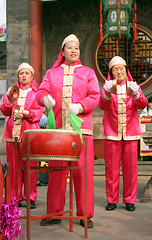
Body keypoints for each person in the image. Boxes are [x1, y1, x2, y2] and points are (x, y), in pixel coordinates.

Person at [36, 34, 100, 228]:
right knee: (56, 172)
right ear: (62, 51)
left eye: (76, 48)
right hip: (58, 132)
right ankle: (54, 213)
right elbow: (40, 92)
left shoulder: (88, 72)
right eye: (69, 47)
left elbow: (95, 95)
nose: (73, 50)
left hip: (81, 131)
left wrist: (79, 107)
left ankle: (84, 214)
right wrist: (45, 100)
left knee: (83, 173)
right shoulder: (52, 73)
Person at [98, 56, 148, 211]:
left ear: (126, 71)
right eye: (115, 69)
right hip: (112, 134)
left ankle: (129, 200)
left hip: (130, 134)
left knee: (131, 169)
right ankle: (111, 200)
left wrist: (137, 94)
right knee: (111, 169)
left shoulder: (133, 86)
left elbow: (143, 104)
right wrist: (106, 93)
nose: (119, 72)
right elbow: (102, 106)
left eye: (121, 69)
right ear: (111, 73)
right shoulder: (107, 87)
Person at [0, 63, 44, 209]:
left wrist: (27, 113)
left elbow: (38, 113)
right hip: (12, 134)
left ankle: (30, 197)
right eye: (21, 73)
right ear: (18, 76)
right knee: (14, 166)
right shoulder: (13, 92)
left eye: (27, 73)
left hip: (30, 134)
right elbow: (5, 111)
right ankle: (15, 196)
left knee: (31, 166)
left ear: (32, 76)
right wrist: (7, 99)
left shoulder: (37, 93)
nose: (24, 75)